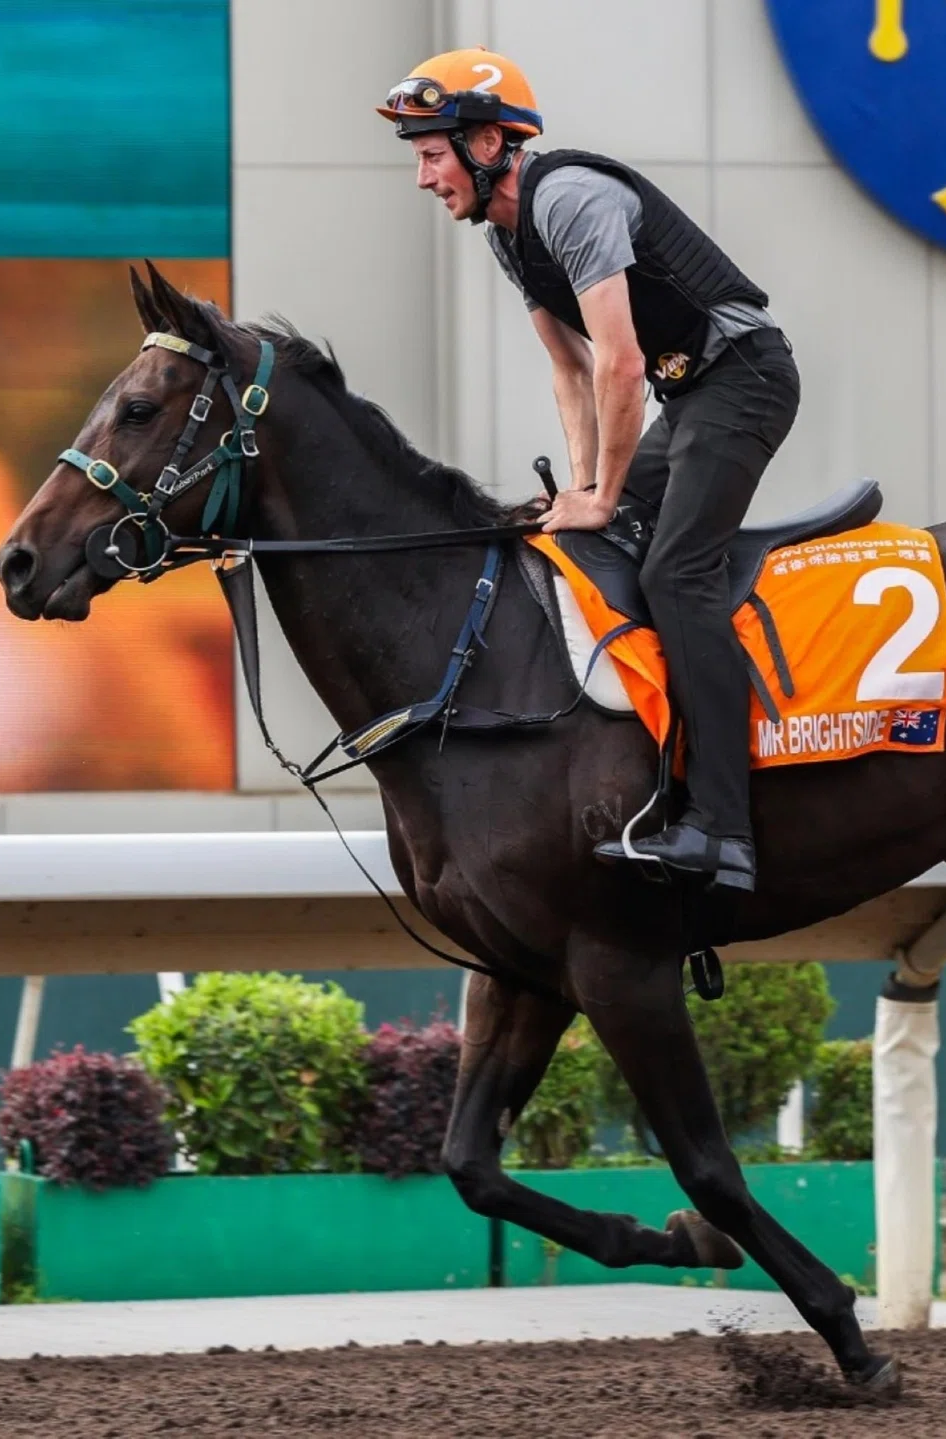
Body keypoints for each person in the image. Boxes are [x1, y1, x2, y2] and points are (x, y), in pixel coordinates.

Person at [379, 49, 800, 894]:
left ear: (487, 143)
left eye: (430, 155)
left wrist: (605, 495)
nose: (423, 178)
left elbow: (621, 365)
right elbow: (570, 371)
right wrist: (581, 493)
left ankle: (724, 829)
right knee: (583, 539)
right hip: (693, 397)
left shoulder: (569, 198)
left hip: (745, 380)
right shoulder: (508, 236)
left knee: (677, 573)